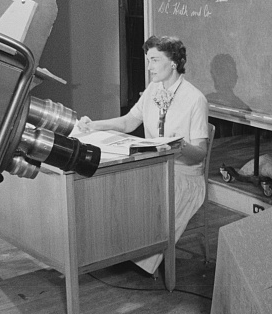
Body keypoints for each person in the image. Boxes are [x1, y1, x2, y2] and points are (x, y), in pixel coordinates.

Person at [76, 35, 210, 275]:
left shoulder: (195, 99)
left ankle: (140, 255)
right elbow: (129, 122)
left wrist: (176, 146)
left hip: (183, 177)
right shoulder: (153, 89)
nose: (149, 68)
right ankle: (118, 250)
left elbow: (200, 153)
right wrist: (94, 125)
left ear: (173, 63)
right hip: (153, 168)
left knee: (143, 203)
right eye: (148, 60)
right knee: (118, 191)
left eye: (154, 60)